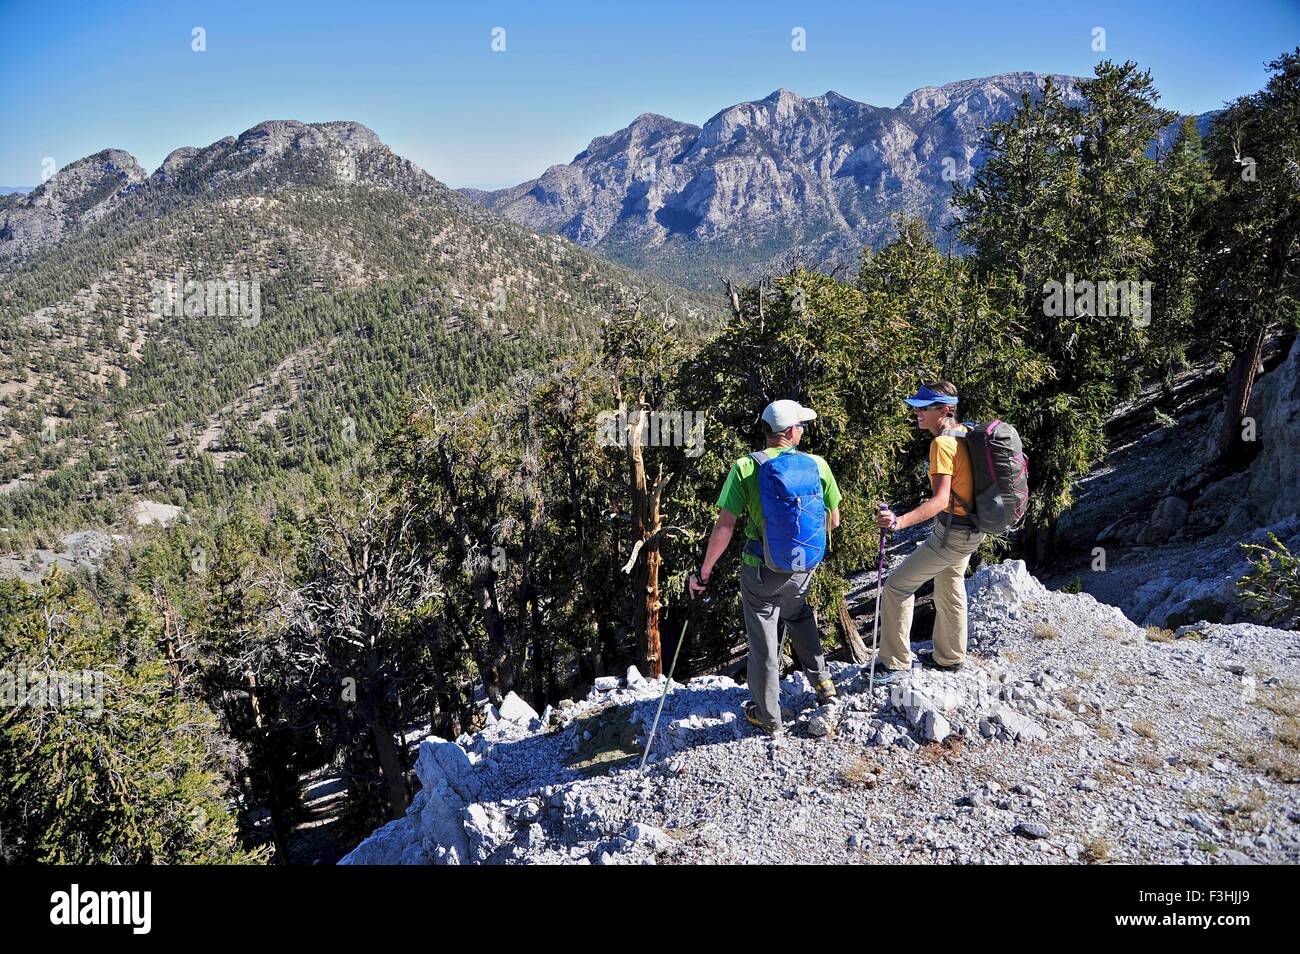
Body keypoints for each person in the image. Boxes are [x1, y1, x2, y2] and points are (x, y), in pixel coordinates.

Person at [688, 399, 843, 734]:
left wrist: (704, 573)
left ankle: (768, 716)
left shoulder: (746, 467)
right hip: (803, 567)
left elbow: (724, 527)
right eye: (801, 425)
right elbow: (833, 520)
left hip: (761, 569)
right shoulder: (817, 464)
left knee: (763, 639)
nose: (803, 429)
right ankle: (823, 686)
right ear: (790, 432)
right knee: (800, 616)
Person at [872, 382, 985, 682]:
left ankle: (895, 662)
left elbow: (940, 501)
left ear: (945, 410)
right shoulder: (968, 433)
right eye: (916, 407)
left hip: (952, 534)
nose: (917, 412)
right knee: (950, 581)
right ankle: (949, 657)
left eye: (924, 408)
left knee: (897, 586)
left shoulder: (942, 445)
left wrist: (899, 522)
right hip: (974, 528)